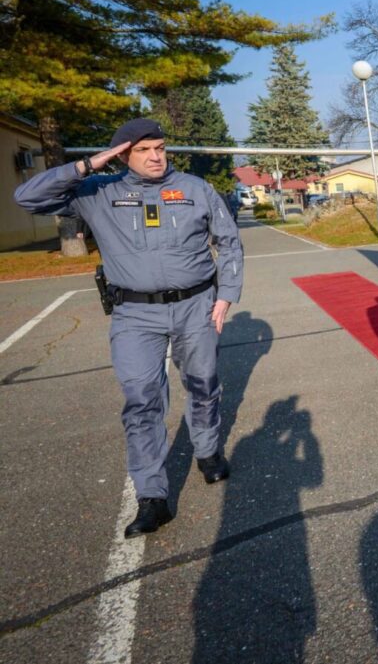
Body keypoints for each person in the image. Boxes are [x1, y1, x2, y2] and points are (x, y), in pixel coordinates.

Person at [14, 118, 243, 538]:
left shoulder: (195, 189)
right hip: (135, 314)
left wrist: (226, 293)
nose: (156, 156)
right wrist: (88, 165)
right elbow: (27, 198)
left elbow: (228, 240)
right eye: (143, 150)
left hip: (196, 306)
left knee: (204, 384)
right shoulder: (97, 193)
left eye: (159, 147)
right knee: (142, 400)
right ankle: (151, 496)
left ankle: (208, 451)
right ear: (122, 155)